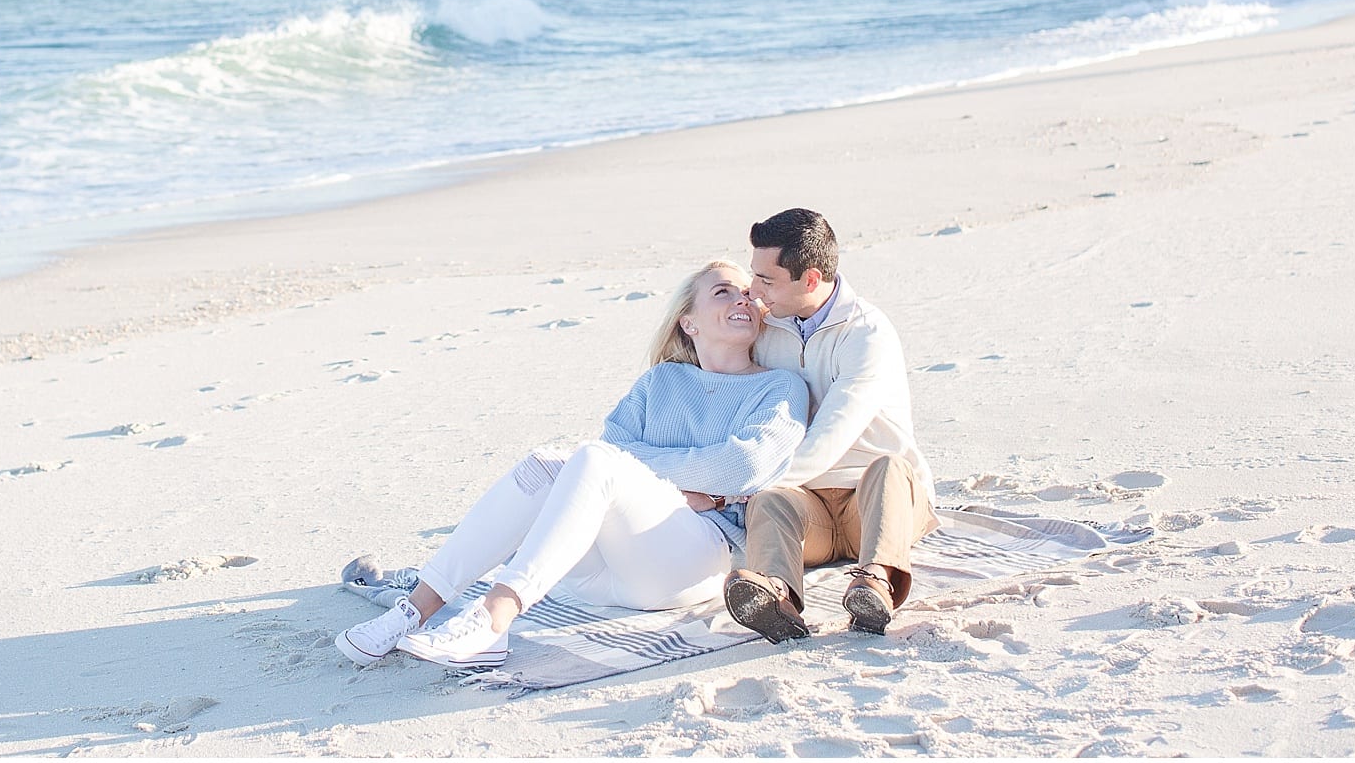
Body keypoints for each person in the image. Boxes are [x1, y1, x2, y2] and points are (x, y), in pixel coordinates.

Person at [336, 260, 809, 669]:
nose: (742, 299)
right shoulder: (661, 382)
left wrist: (664, 481)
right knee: (548, 464)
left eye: (749, 292)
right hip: (599, 576)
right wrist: (681, 488)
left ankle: (494, 616)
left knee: (593, 460)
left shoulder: (779, 387)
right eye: (723, 291)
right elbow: (607, 457)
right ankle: (413, 611)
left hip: (693, 561)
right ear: (689, 322)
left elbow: (742, 466)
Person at [723, 207, 938, 642]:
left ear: (811, 279)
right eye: (754, 276)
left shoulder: (867, 333)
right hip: (812, 511)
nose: (754, 290)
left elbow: (832, 435)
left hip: (874, 505)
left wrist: (733, 487)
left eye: (767, 280)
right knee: (771, 499)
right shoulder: (766, 330)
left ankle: (874, 584)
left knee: (891, 467)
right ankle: (778, 598)